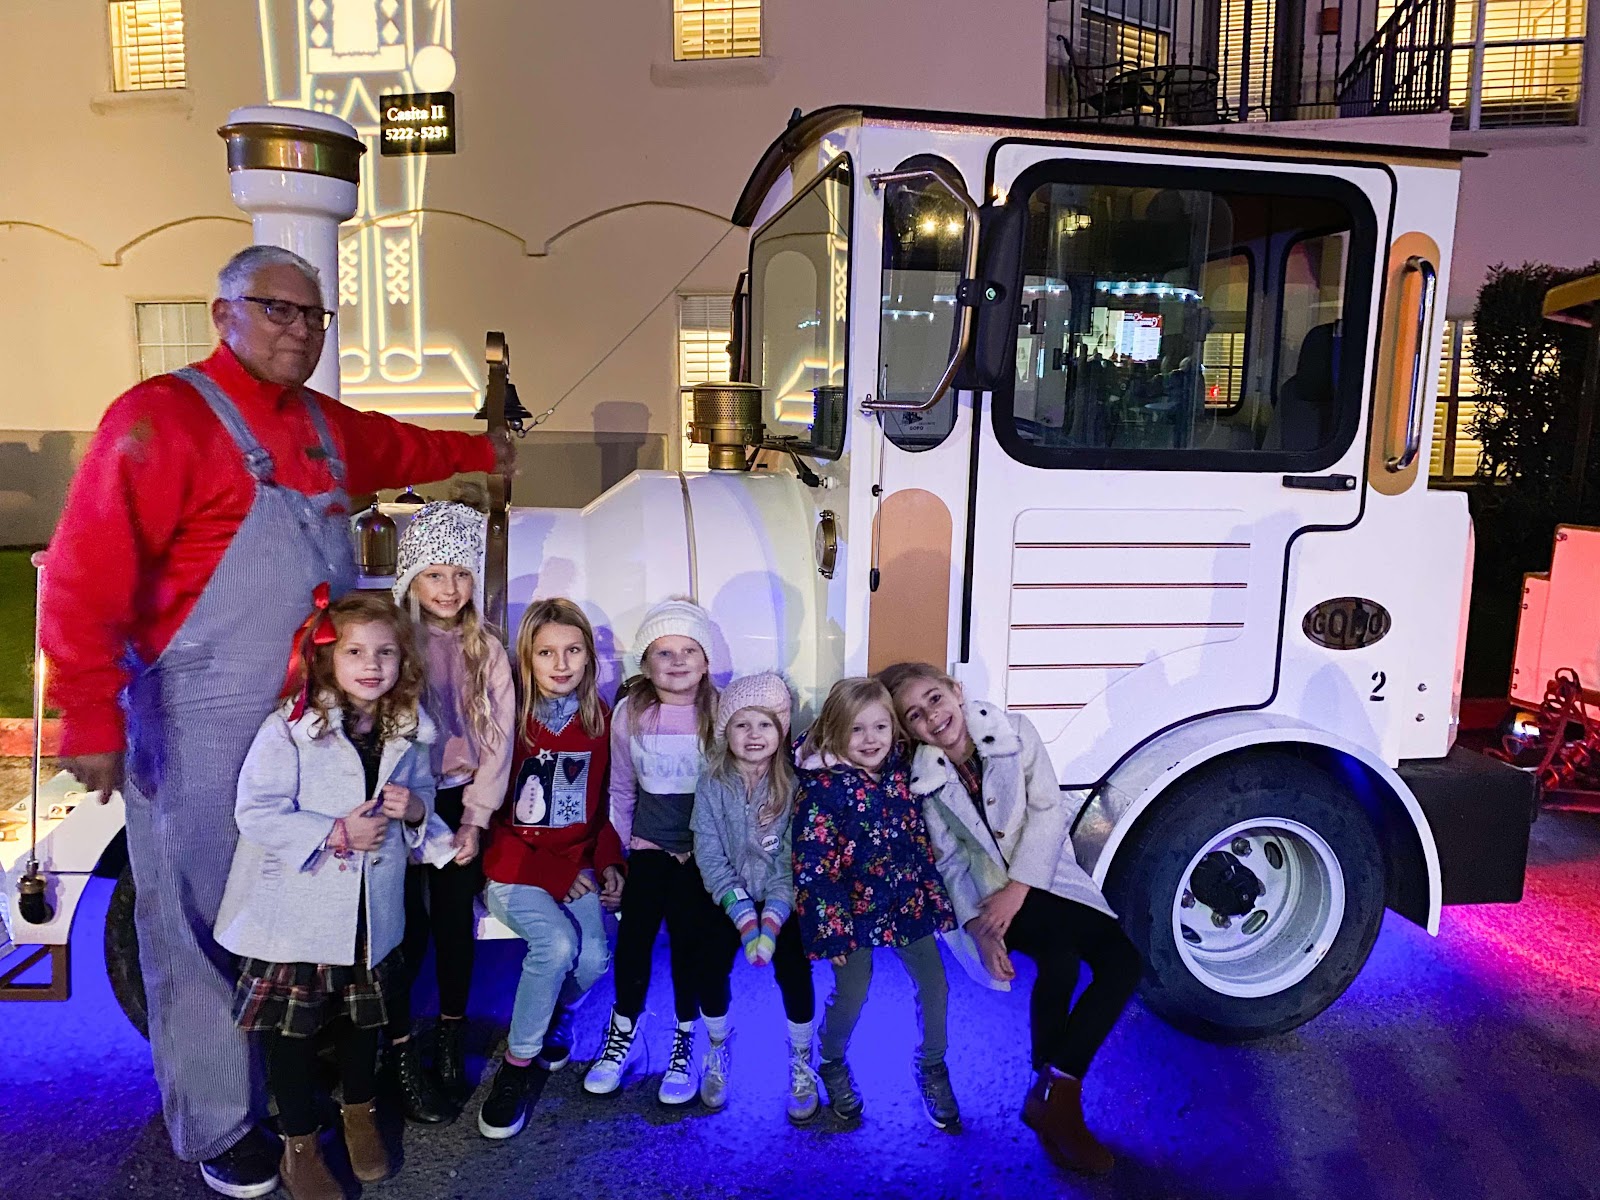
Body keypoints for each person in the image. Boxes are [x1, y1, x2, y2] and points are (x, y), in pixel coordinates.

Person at [40, 243, 511, 1196]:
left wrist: (480, 455)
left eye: (313, 315)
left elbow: (399, 446)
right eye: (276, 309)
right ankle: (222, 1123)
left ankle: (305, 1096)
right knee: (204, 920)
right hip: (202, 715)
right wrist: (89, 714)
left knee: (311, 904)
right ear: (224, 314)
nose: (299, 330)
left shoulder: (324, 428)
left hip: (322, 720)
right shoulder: (159, 419)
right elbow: (86, 570)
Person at [213, 592, 440, 1200]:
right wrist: (335, 832)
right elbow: (256, 810)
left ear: (403, 660)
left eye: (385, 653)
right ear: (325, 659)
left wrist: (416, 810)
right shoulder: (291, 728)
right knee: (292, 1034)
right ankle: (300, 1143)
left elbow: (423, 795)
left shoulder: (409, 728)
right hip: (299, 911)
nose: (372, 665)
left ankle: (359, 1114)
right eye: (355, 652)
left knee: (365, 1022)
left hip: (368, 911)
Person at [880, 661, 1143, 1175]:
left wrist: (1019, 888)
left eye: (934, 699)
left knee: (1123, 963)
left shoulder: (1015, 731)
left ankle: (1052, 1093)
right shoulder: (923, 780)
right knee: (1059, 962)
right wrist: (979, 929)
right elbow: (949, 863)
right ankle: (1057, 1103)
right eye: (914, 715)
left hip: (1045, 876)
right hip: (988, 897)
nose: (932, 717)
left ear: (956, 691)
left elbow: (1047, 811)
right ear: (909, 732)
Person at [384, 501, 515, 1122]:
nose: (448, 587)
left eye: (461, 574)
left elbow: (499, 740)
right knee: (400, 930)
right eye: (434, 573)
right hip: (400, 800)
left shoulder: (486, 650)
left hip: (458, 798)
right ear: (412, 576)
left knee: (454, 926)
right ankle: (396, 1050)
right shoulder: (392, 644)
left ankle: (449, 1039)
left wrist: (475, 817)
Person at [476, 599, 624, 1140]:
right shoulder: (509, 717)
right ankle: (516, 1067)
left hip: (574, 866)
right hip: (514, 869)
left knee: (595, 957)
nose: (561, 664)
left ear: (589, 657)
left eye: (573, 651)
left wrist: (610, 863)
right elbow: (491, 823)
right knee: (557, 946)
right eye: (546, 653)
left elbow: (600, 809)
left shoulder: (599, 720)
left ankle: (554, 1016)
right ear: (527, 659)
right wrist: (556, 876)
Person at [791, 677, 960, 1130]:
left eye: (880, 727)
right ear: (835, 730)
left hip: (907, 902)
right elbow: (813, 864)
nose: (871, 740)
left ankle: (932, 1064)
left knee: (935, 984)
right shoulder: (822, 788)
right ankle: (830, 1059)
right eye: (856, 729)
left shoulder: (902, 770)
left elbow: (920, 836)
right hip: (850, 914)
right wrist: (831, 930)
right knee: (852, 991)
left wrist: (935, 897)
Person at [583, 598, 724, 1106]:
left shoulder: (720, 712)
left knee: (689, 944)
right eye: (664, 652)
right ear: (645, 663)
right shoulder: (630, 714)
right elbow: (621, 790)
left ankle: (685, 1037)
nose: (678, 661)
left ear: (706, 661)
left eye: (690, 650)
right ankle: (623, 1029)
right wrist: (622, 855)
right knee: (634, 942)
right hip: (647, 848)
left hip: (703, 853)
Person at [690, 672, 818, 1121]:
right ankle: (718, 1043)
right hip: (727, 894)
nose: (754, 734)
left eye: (765, 724)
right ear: (725, 731)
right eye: (742, 724)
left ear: (781, 730)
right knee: (708, 964)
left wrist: (774, 916)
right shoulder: (712, 782)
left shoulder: (794, 784)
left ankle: (801, 1055)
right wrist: (742, 913)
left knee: (795, 970)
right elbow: (708, 851)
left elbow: (792, 857)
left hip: (783, 896)